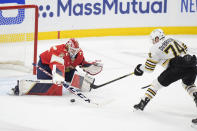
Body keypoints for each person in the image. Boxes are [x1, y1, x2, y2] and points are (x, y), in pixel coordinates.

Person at [133, 29, 197, 111]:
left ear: (156, 38)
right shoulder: (172, 38)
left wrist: (139, 68)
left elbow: (149, 69)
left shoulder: (154, 48)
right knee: (188, 84)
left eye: (153, 40)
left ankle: (142, 103)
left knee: (156, 84)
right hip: (191, 64)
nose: (153, 42)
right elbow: (186, 49)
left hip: (176, 68)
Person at [37, 38, 102, 83]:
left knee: (76, 78)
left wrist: (88, 65)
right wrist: (59, 77)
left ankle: (85, 83)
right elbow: (56, 64)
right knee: (46, 83)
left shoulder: (79, 54)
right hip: (45, 65)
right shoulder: (59, 51)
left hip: (64, 68)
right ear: (67, 46)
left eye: (76, 50)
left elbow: (82, 62)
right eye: (72, 50)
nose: (74, 52)